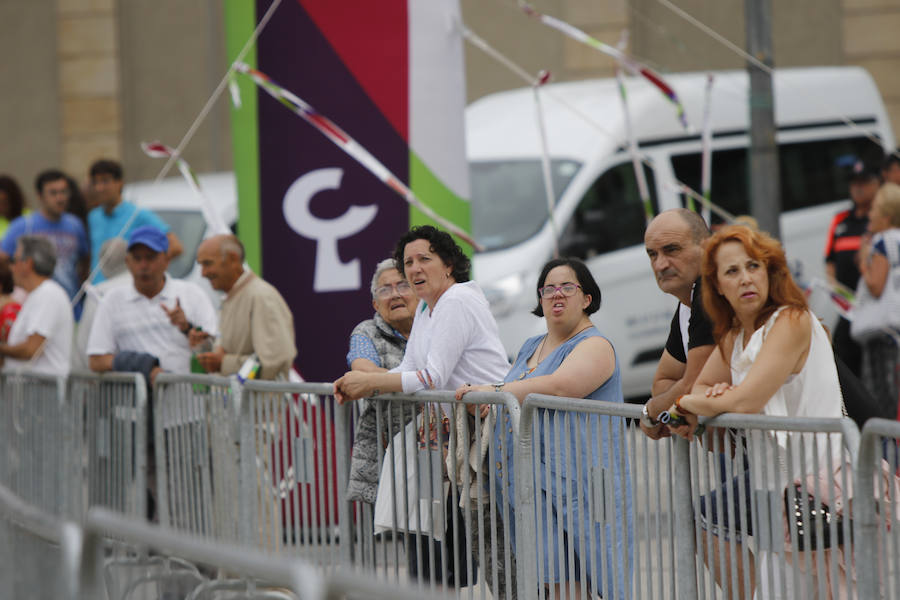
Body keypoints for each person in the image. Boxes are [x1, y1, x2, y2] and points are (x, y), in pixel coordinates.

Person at [669, 225, 845, 599]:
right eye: (732, 271)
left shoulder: (792, 320)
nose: (746, 278)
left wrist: (693, 404)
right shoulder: (734, 336)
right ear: (716, 284)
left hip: (824, 496)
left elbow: (742, 401)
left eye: (754, 266)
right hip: (775, 498)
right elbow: (702, 386)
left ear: (770, 271)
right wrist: (714, 396)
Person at [334, 225, 510, 590]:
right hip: (468, 437)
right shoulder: (429, 310)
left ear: (448, 265)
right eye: (408, 262)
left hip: (497, 431)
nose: (413, 269)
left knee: (498, 550)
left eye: (423, 260)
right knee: (479, 549)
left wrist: (369, 382)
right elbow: (408, 370)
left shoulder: (457, 300)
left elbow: (431, 377)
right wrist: (362, 383)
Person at [457, 257, 633, 599]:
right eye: (548, 288)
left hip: (583, 484)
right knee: (557, 581)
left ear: (587, 298)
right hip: (529, 486)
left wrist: (493, 392)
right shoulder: (528, 347)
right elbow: (514, 395)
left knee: (594, 575)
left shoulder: (595, 345)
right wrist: (485, 404)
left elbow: (560, 386)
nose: (557, 295)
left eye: (568, 287)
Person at [86, 226, 217, 383]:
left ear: (167, 260)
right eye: (137, 258)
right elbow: (96, 360)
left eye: (150, 257)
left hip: (186, 403)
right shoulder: (112, 300)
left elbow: (213, 353)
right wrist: (142, 365)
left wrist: (187, 329)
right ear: (127, 262)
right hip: (135, 405)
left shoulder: (192, 295)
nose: (143, 266)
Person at [343, 258, 417, 503]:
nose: (395, 294)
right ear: (375, 303)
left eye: (403, 286)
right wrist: (422, 382)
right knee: (411, 532)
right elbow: (364, 372)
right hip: (391, 447)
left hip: (440, 444)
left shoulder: (433, 326)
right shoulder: (366, 332)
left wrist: (392, 381)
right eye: (385, 290)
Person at [639, 208, 715, 439]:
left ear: (706, 247)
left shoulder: (710, 291)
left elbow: (693, 386)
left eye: (672, 250)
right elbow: (663, 383)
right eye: (652, 254)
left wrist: (651, 411)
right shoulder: (686, 303)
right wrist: (674, 406)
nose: (661, 265)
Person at [194, 234, 296, 380]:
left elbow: (274, 361)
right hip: (241, 401)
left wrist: (223, 363)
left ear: (233, 259)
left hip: (261, 402)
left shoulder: (261, 296)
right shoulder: (233, 296)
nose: (203, 273)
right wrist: (206, 348)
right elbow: (234, 351)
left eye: (208, 264)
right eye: (201, 265)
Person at [0, 169, 89, 308]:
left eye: (63, 192)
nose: (60, 198)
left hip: (72, 305)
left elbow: (85, 261)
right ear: (40, 196)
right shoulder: (23, 225)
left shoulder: (75, 224)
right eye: (53, 193)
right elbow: (3, 260)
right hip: (33, 306)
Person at [825, 158, 881, 376]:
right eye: (853, 182)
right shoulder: (840, 220)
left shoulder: (880, 220)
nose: (858, 188)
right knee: (843, 361)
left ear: (876, 183)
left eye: (864, 182)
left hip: (875, 307)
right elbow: (830, 262)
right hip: (847, 310)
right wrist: (835, 291)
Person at [87, 159, 183, 283]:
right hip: (96, 290)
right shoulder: (93, 217)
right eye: (96, 182)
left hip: (125, 288)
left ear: (119, 183)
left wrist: (145, 269)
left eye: (105, 181)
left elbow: (176, 247)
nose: (100, 187)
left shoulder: (138, 214)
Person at [856, 182, 900, 418]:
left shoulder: (883, 242)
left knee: (884, 401)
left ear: (886, 214)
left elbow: (875, 286)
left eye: (874, 209)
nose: (870, 214)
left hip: (883, 334)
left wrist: (864, 261)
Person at [0, 235, 73, 375]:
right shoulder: (38, 294)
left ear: (28, 264)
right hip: (29, 392)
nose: (11, 267)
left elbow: (30, 349)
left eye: (14, 261)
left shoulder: (48, 294)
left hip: (41, 393)